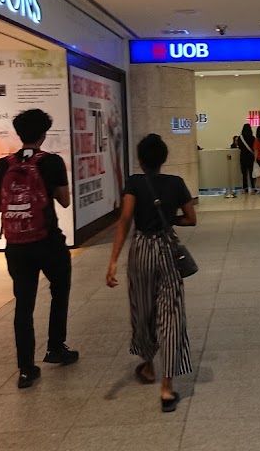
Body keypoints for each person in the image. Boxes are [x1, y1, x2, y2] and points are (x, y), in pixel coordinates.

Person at [0, 109, 77, 389]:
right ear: (43, 134)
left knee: (23, 304)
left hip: (16, 246)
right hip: (48, 241)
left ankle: (26, 368)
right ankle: (55, 346)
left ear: (18, 133)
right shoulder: (52, 162)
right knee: (59, 290)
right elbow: (64, 202)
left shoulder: (2, 166)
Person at [106, 133, 196, 412]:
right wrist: (171, 220)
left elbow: (125, 220)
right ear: (164, 158)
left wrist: (112, 261)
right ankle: (167, 389)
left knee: (142, 309)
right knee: (171, 314)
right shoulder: (176, 183)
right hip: (167, 250)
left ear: (141, 159)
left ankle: (147, 364)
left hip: (142, 250)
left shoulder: (134, 182)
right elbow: (191, 219)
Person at [231, 124, 256, 195]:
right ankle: (253, 188)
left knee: (244, 174)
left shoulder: (240, 138)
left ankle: (245, 189)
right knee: (251, 173)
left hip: (243, 157)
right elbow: (254, 147)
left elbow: (239, 147)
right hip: (251, 157)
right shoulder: (253, 138)